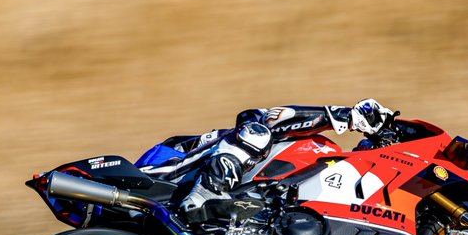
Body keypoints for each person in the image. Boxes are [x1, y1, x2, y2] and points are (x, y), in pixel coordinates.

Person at [139, 99, 396, 215]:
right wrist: (346, 116)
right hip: (165, 175)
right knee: (256, 132)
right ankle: (206, 193)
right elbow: (261, 117)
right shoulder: (251, 130)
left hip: (188, 180)